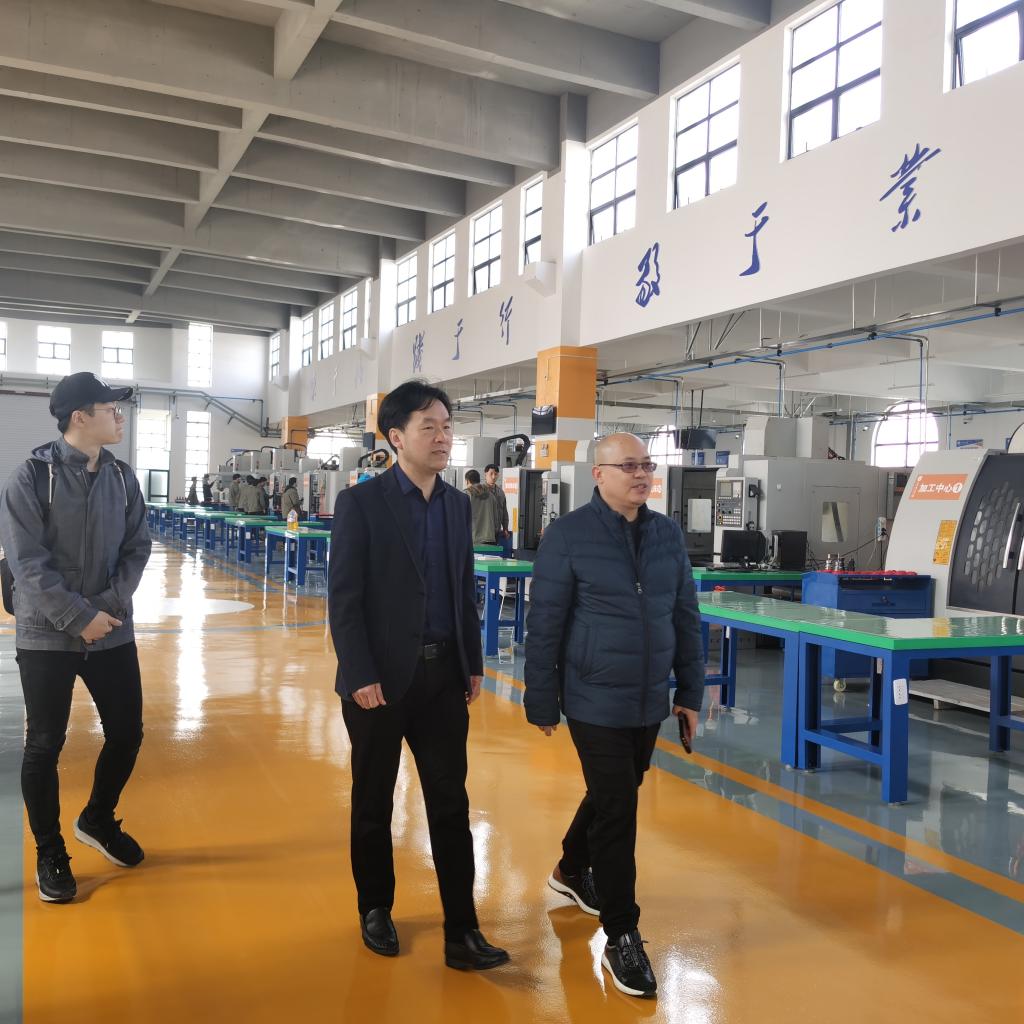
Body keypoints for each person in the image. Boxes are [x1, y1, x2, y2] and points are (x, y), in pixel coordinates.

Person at [328, 379, 509, 972]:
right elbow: (344, 598)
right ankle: (375, 909)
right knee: (373, 800)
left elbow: (462, 591)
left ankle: (463, 929)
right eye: (428, 426)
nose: (442, 437)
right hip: (378, 682)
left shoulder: (457, 505)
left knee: (450, 803)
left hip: (442, 680)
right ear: (396, 437)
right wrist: (360, 672)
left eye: (447, 426)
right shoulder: (362, 504)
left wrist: (472, 663)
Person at [524, 433, 704, 999]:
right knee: (620, 807)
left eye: (647, 464)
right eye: (628, 465)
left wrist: (690, 691)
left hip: (648, 697)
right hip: (593, 694)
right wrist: (541, 698)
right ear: (598, 474)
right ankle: (622, 931)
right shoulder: (569, 535)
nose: (641, 474)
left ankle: (570, 870)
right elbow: (545, 622)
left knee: (615, 791)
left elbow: (685, 615)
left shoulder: (666, 534)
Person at [0, 372, 152, 904]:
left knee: (127, 732)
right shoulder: (31, 478)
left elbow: (137, 548)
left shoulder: (123, 478)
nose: (120, 417)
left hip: (109, 630)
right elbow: (26, 563)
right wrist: (75, 616)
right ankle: (50, 851)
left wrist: (103, 610)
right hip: (46, 634)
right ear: (80, 417)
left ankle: (97, 818)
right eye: (111, 409)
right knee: (45, 743)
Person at [464, 470, 500, 547]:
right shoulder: (491, 496)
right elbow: (496, 520)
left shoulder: (466, 495)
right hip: (489, 539)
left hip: (472, 539)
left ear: (467, 481)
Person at [483, 464, 509, 543]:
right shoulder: (480, 491)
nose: (493, 477)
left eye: (496, 474)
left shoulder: (500, 492)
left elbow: (504, 511)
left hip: (496, 531)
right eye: (491, 474)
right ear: (485, 474)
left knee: (494, 550)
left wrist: (505, 528)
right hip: (483, 532)